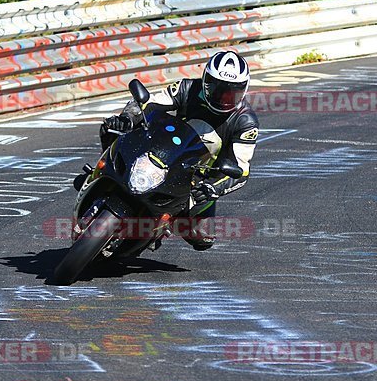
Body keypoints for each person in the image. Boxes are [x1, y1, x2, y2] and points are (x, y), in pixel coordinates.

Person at [95, 51, 259, 251]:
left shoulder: (246, 122)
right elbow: (149, 103)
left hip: (198, 178)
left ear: (244, 89)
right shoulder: (187, 88)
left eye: (230, 93)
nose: (222, 97)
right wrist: (128, 118)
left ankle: (160, 226)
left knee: (203, 238)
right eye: (216, 88)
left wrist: (213, 188)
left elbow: (241, 171)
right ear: (205, 79)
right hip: (162, 151)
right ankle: (100, 173)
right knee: (113, 126)